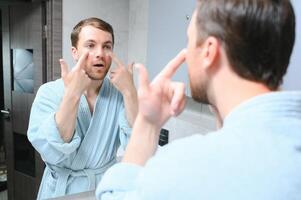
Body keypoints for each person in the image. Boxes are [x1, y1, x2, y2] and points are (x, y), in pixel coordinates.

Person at [95, 0, 301, 199]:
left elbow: (114, 196)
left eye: (189, 41)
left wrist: (148, 124)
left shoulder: (188, 166)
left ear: (209, 52)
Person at [27, 17, 137, 199]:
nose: (100, 53)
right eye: (90, 45)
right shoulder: (49, 93)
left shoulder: (119, 94)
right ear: (75, 52)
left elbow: (136, 145)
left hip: (102, 190)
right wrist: (73, 94)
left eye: (107, 46)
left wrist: (130, 92)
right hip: (61, 191)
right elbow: (53, 151)